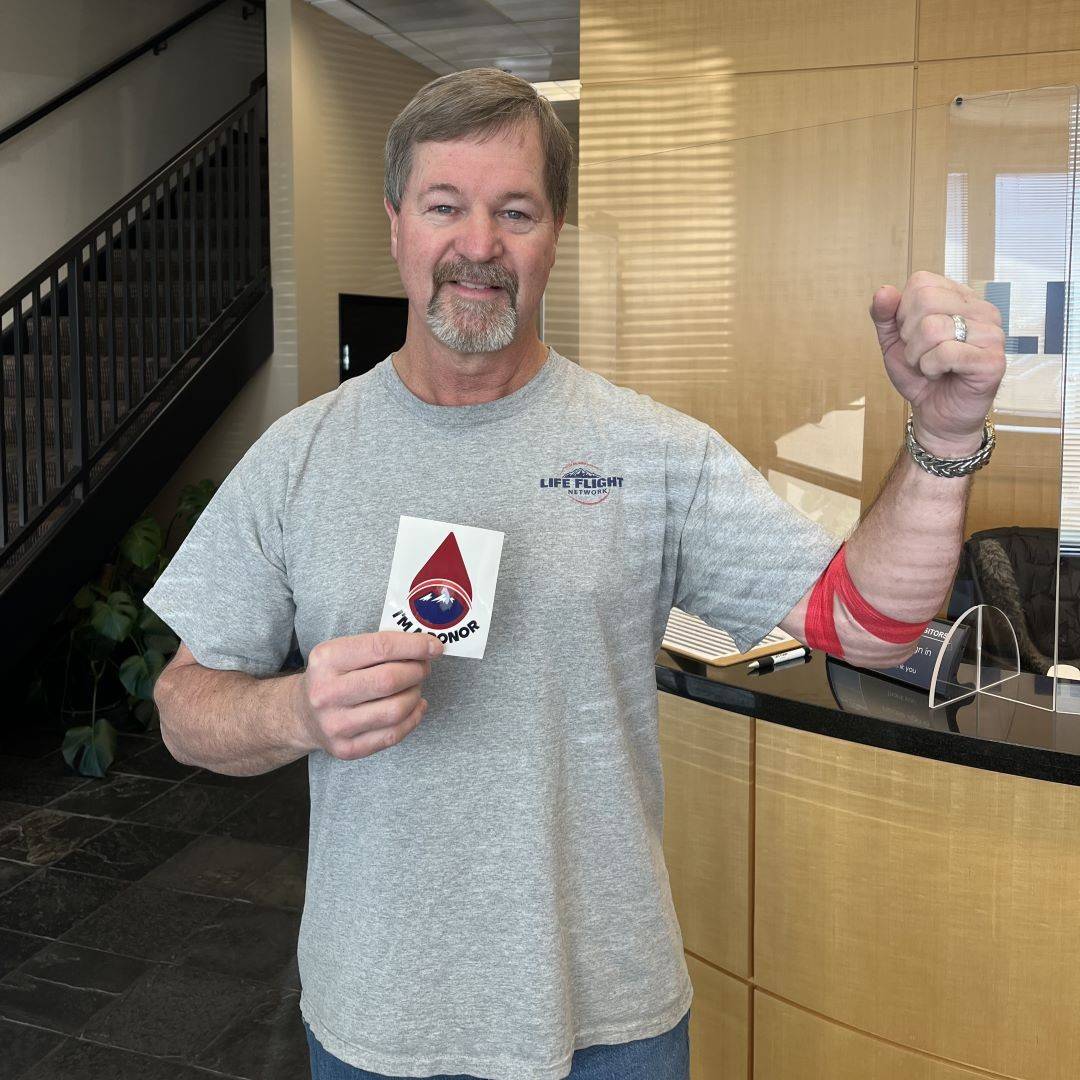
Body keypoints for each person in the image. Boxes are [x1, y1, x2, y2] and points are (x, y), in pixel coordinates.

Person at [146, 69, 1005, 1080]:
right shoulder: (299, 456)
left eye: (516, 210)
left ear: (556, 233)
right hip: (377, 1020)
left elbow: (867, 627)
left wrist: (946, 436)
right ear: (394, 226)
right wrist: (296, 712)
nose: (479, 244)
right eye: (444, 206)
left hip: (611, 1023)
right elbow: (181, 704)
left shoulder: (651, 450)